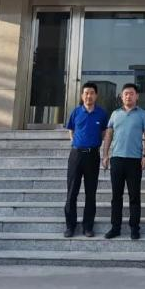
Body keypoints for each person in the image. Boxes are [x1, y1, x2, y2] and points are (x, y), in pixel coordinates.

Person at [101, 83, 145, 240]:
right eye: (125, 94)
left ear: (137, 96)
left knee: (134, 196)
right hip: (117, 159)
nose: (128, 96)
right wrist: (105, 155)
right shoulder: (115, 114)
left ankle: (134, 228)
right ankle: (115, 227)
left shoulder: (143, 114)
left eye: (131, 93)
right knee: (116, 196)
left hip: (134, 160)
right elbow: (109, 135)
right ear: (121, 97)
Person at [63, 82, 108, 238]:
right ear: (82, 95)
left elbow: (104, 133)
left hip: (92, 156)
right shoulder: (76, 112)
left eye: (92, 93)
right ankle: (70, 226)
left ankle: (88, 227)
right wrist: (75, 142)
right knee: (72, 192)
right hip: (76, 155)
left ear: (96, 95)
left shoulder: (102, 114)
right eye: (86, 93)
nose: (89, 96)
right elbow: (71, 130)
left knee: (91, 192)